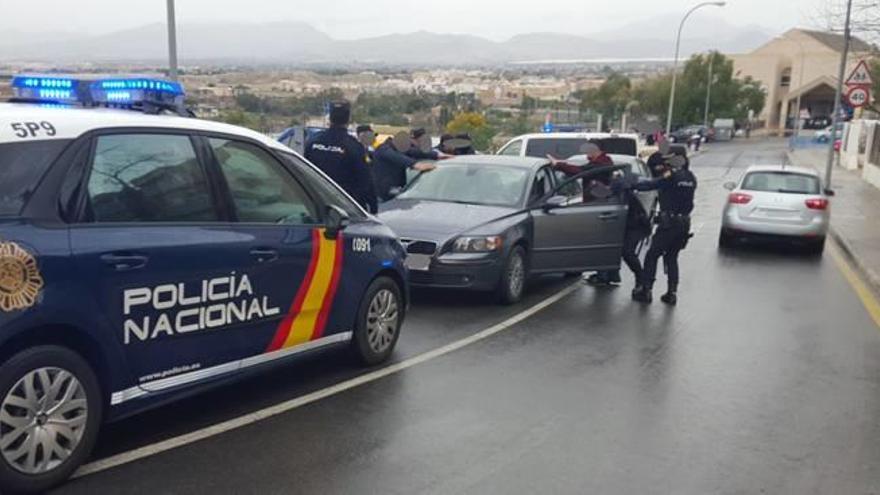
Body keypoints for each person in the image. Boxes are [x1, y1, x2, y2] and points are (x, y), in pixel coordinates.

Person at [631, 154, 697, 305]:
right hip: (684, 223)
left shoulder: (671, 176)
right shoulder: (691, 177)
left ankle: (646, 290)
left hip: (670, 223)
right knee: (672, 257)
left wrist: (631, 184)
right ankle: (671, 293)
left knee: (652, 255)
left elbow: (650, 185)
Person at [305, 101, 378, 213]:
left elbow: (304, 170)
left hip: (317, 203)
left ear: (330, 118)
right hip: (345, 207)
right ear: (348, 119)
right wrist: (373, 208)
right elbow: (365, 180)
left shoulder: (313, 141)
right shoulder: (353, 146)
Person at [372, 131, 436, 201]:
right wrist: (415, 164)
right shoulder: (383, 149)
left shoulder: (399, 148)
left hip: (399, 190)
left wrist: (437, 155)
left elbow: (415, 152)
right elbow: (396, 157)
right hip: (384, 192)